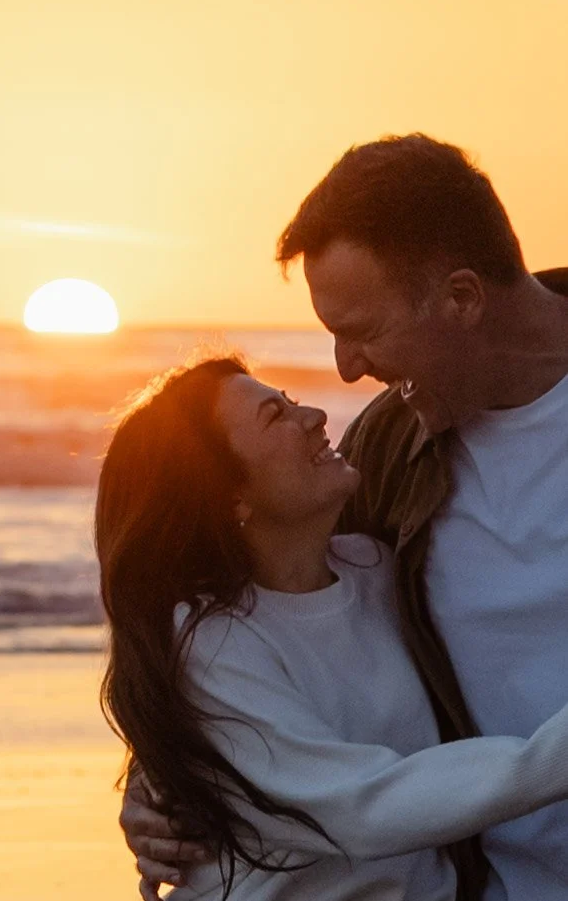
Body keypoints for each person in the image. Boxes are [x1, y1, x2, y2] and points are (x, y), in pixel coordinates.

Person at [122, 135, 568, 901]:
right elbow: (275, 600)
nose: (345, 370)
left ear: (461, 298)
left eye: (361, 329)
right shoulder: (387, 448)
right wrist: (170, 772)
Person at [97, 355, 568, 901]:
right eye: (277, 416)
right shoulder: (210, 638)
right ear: (229, 494)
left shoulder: (378, 571)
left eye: (292, 400)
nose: (317, 415)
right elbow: (362, 807)